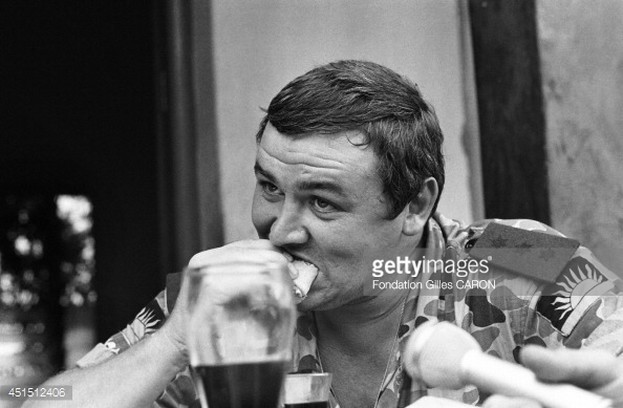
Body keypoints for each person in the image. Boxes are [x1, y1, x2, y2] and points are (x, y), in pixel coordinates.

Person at [23, 60, 623, 408]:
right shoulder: (221, 295)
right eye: (269, 187)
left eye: (321, 202)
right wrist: (174, 340)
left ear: (416, 205)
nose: (280, 229)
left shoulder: (514, 252)